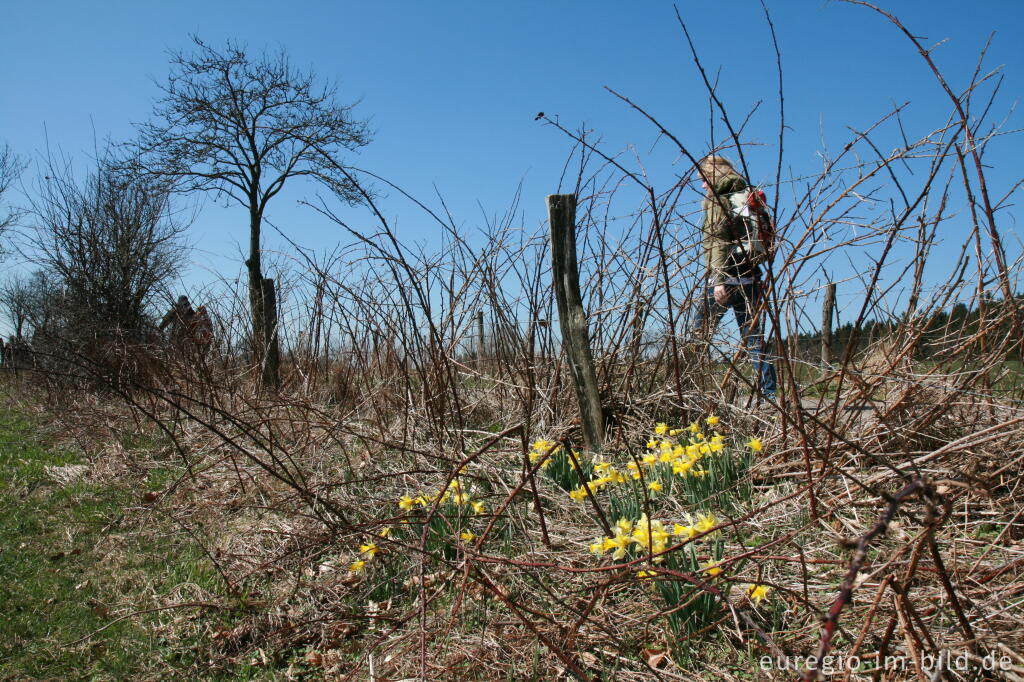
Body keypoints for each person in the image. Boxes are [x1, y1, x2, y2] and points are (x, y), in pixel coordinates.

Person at [691, 155, 777, 401]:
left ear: (712, 175)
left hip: (725, 278)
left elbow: (717, 240)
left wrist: (718, 279)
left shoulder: (719, 199)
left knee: (698, 335)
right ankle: (769, 395)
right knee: (755, 340)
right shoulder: (748, 195)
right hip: (751, 277)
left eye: (704, 180)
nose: (703, 186)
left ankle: (691, 389)